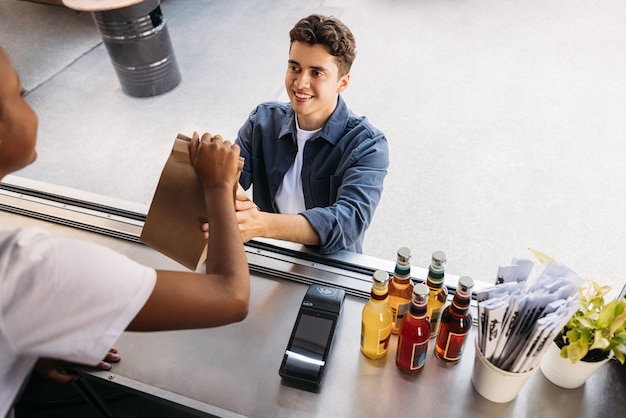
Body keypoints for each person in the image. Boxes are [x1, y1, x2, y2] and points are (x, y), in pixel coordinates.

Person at [0, 46, 250, 416]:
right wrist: (218, 184)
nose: (30, 107)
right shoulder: (28, 269)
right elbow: (230, 296)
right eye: (19, 95)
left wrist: (27, 339)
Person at [227, 14, 389, 254]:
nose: (300, 83)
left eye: (316, 73)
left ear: (342, 83)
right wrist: (219, 174)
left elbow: (348, 221)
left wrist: (260, 224)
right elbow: (229, 182)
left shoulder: (367, 145)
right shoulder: (262, 121)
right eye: (295, 67)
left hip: (331, 266)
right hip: (272, 253)